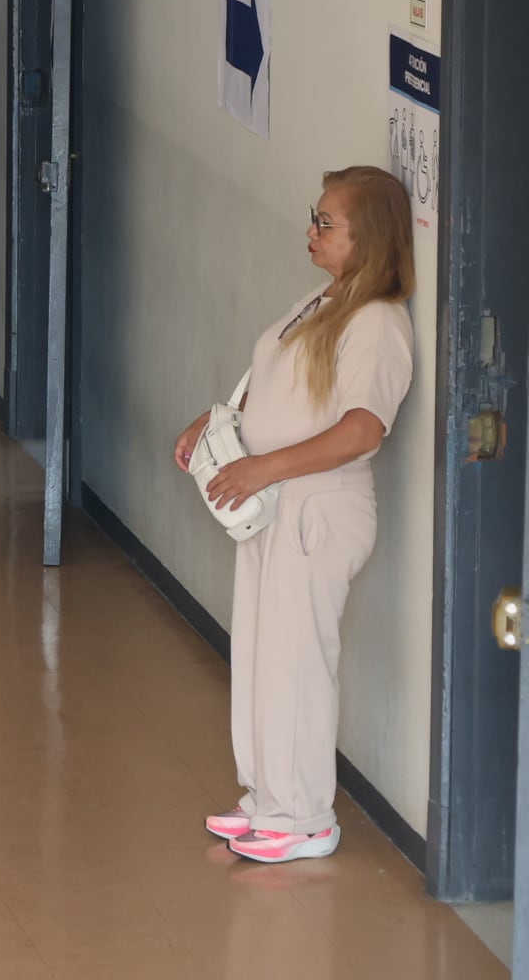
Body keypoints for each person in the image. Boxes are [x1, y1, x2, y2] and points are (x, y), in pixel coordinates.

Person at [171, 168, 415, 864]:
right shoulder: (326, 300)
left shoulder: (377, 323)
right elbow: (271, 384)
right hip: (272, 499)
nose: (311, 231)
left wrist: (265, 466)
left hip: (318, 507)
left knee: (300, 662)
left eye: (325, 223)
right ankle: (266, 799)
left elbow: (363, 429)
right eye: (315, 217)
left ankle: (306, 817)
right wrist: (215, 426)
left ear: (366, 238)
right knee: (260, 655)